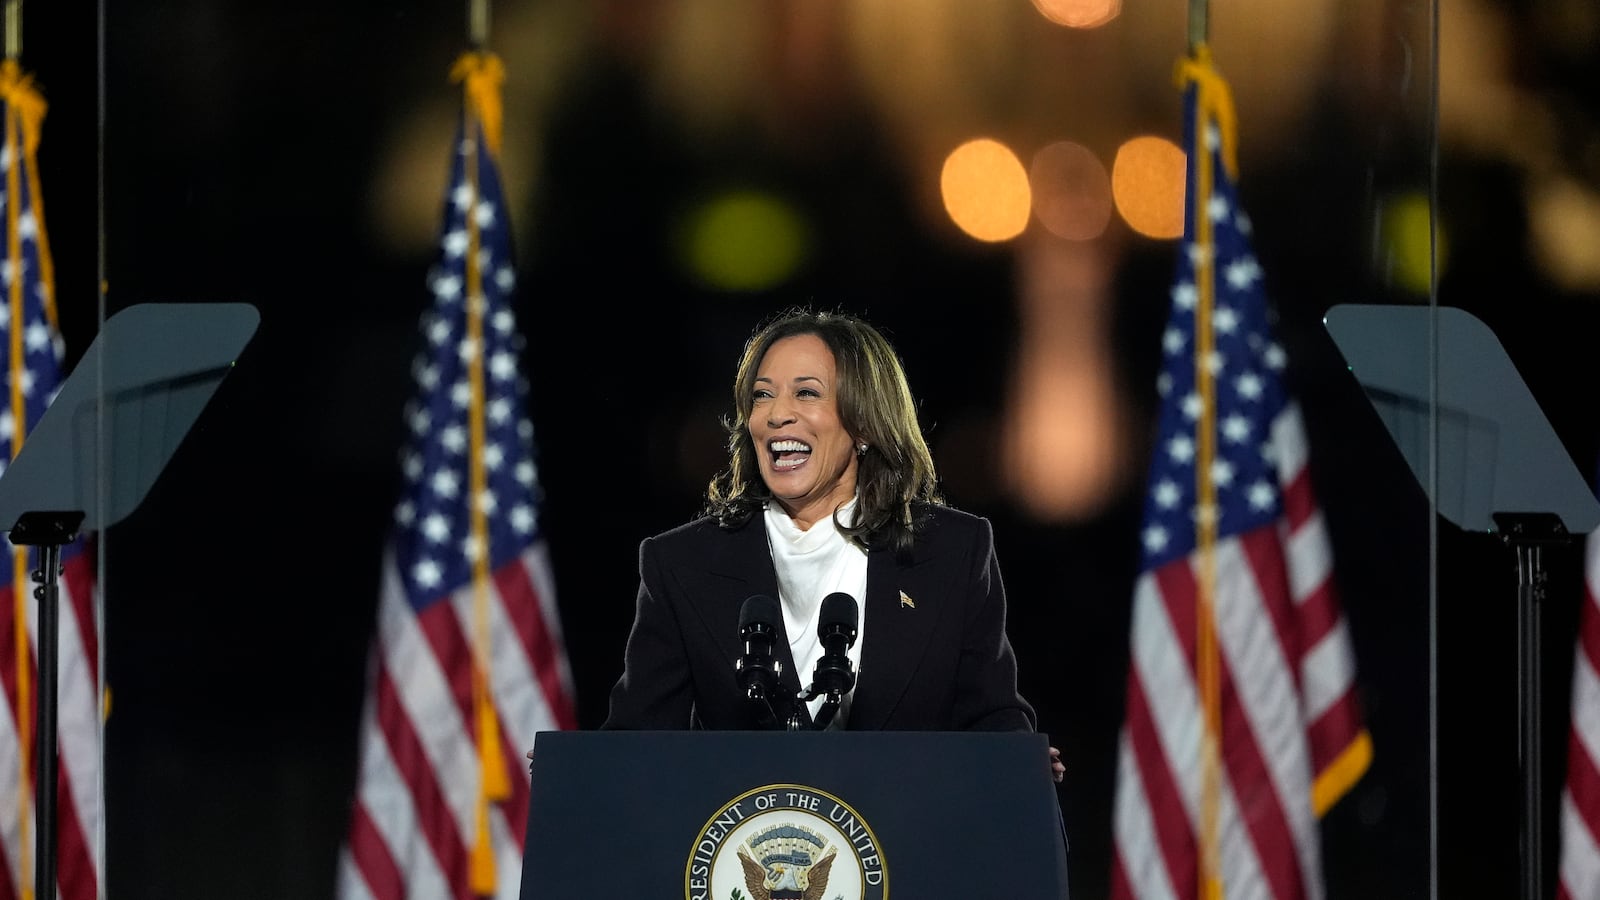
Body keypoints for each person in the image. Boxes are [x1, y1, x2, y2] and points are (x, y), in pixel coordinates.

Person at [598, 308, 1063, 781]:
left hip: (907, 842)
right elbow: (638, 737)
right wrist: (577, 771)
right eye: (762, 396)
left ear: (862, 424)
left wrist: (1018, 764)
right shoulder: (681, 562)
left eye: (806, 393)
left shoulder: (952, 551)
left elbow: (990, 716)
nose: (778, 414)